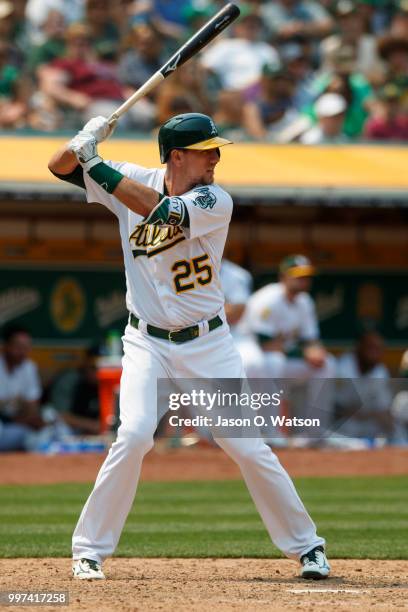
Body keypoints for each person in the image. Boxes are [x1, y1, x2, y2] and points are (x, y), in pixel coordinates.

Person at [48, 112, 330, 581]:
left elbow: (159, 212)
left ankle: (308, 547)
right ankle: (89, 550)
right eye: (206, 151)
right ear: (178, 155)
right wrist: (84, 138)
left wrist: (93, 161)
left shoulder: (214, 198)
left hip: (208, 342)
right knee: (135, 434)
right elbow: (59, 167)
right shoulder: (128, 179)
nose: (216, 158)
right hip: (146, 340)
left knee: (246, 446)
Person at [237, 255, 336, 434]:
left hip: (282, 355)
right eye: (298, 276)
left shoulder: (305, 302)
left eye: (306, 276)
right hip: (249, 350)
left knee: (327, 364)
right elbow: (264, 343)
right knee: (273, 362)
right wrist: (304, 352)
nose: (304, 281)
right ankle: (268, 430)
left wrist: (316, 352)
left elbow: (310, 339)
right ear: (283, 277)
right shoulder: (268, 299)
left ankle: (314, 432)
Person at [335, 330, 394, 441]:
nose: (374, 353)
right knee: (349, 428)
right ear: (359, 347)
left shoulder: (381, 371)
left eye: (378, 349)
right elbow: (336, 410)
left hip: (368, 423)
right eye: (370, 348)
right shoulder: (343, 368)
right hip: (342, 425)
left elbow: (384, 410)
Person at [0, 325, 42, 451]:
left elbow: (32, 408)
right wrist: (11, 402)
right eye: (18, 347)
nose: (22, 352)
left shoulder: (29, 367)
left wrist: (20, 404)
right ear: (6, 346)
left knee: (34, 437)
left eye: (26, 348)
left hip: (17, 425)